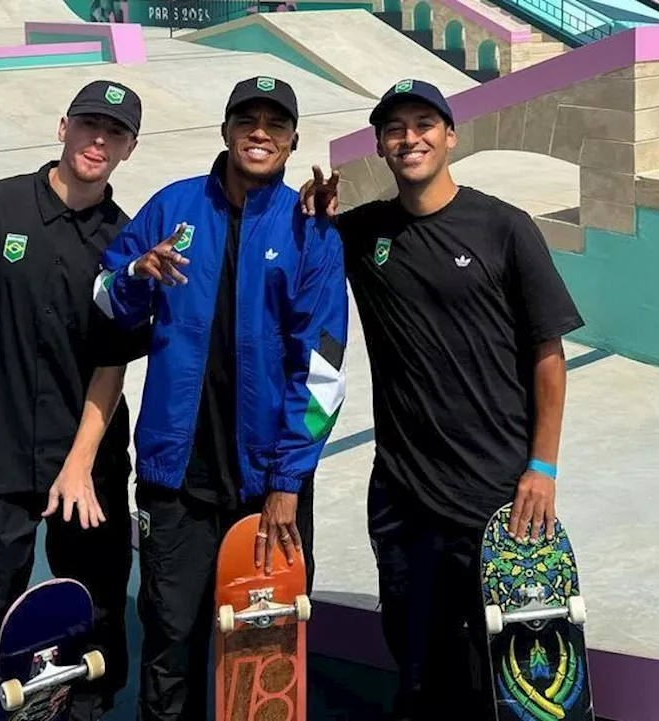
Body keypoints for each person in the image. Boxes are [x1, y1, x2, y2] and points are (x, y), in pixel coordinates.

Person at [297, 79, 585, 720]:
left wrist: (542, 467)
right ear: (380, 144)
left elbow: (548, 356)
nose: (410, 139)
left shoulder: (503, 227)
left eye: (423, 124)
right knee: (416, 666)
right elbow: (301, 256)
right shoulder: (363, 233)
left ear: (449, 135)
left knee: (498, 677)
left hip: (493, 494)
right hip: (403, 497)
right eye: (395, 129)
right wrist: (309, 213)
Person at [81, 75, 348, 720]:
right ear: (225, 130)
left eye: (275, 125)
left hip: (268, 484)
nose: (260, 133)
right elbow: (101, 299)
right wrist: (136, 277)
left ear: (291, 142)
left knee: (264, 648)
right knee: (170, 639)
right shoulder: (173, 207)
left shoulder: (309, 230)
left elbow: (324, 373)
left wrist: (288, 479)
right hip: (177, 475)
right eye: (247, 120)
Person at [0, 80, 151, 721]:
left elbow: (112, 361)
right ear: (63, 126)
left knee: (96, 602)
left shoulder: (124, 241)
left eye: (115, 132)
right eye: (90, 124)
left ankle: (89, 706)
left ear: (129, 148)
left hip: (85, 457)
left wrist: (78, 463)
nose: (99, 139)